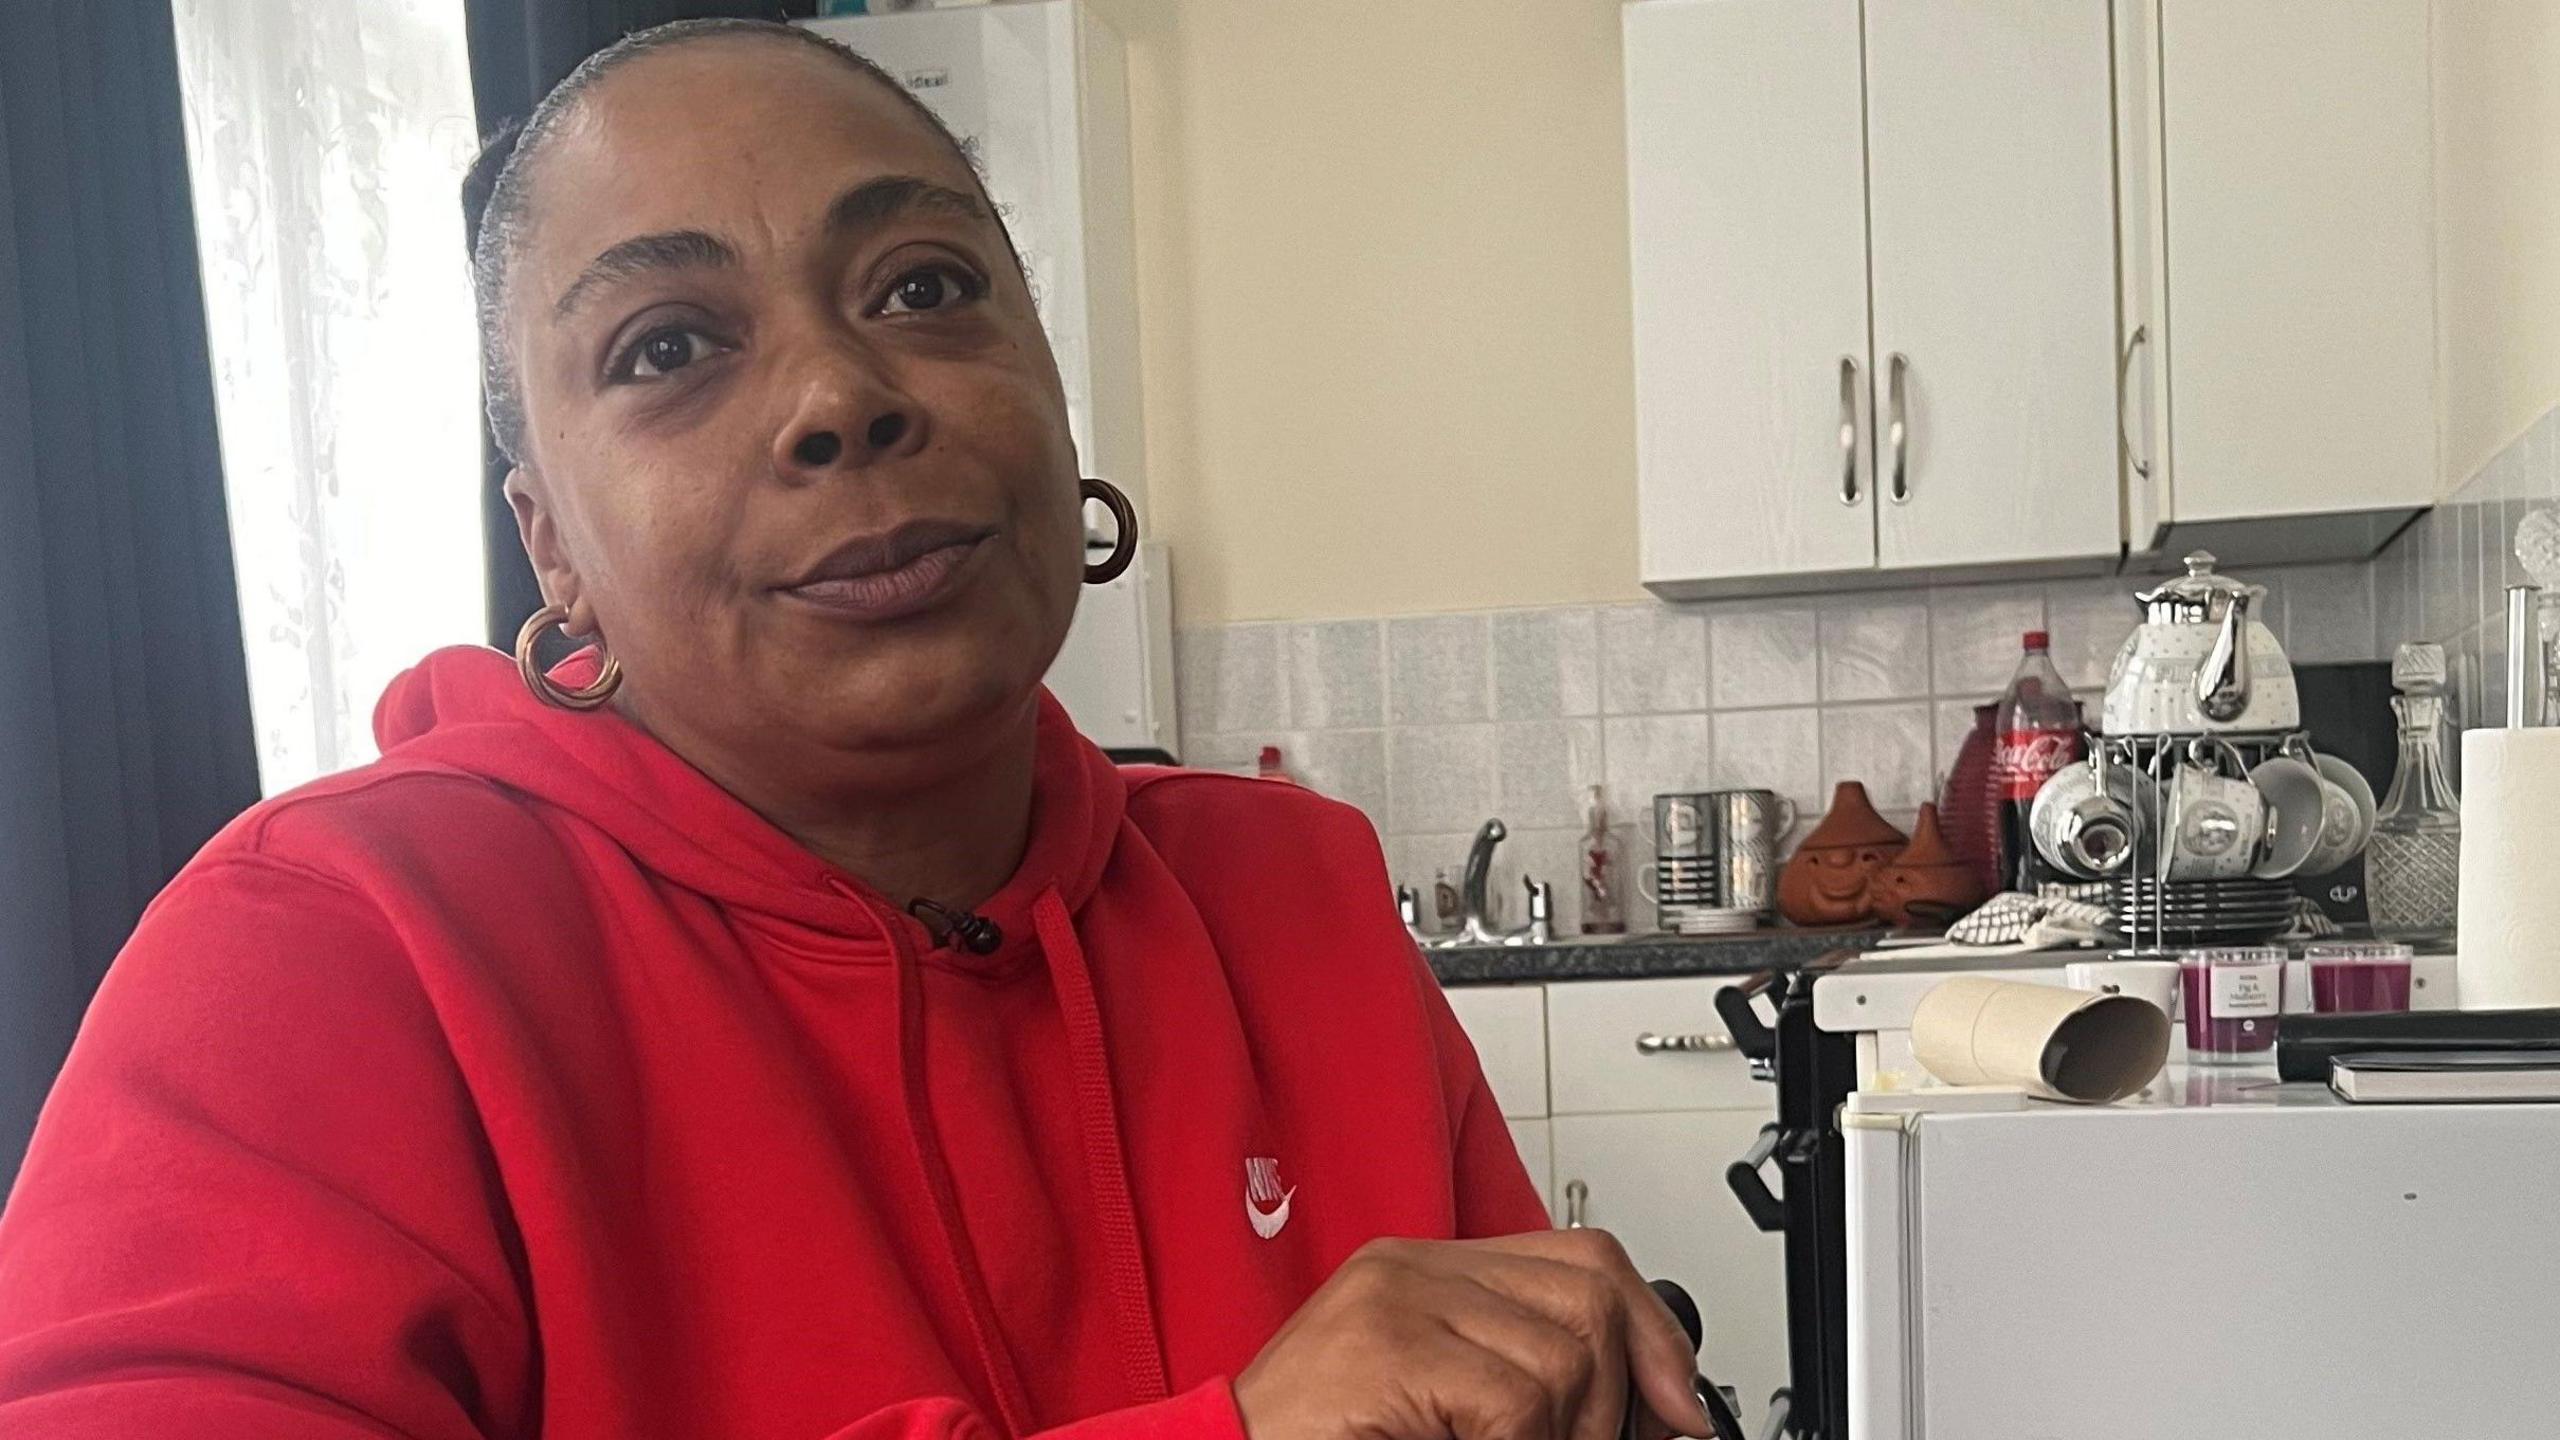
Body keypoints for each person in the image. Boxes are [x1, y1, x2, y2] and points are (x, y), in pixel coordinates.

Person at [0, 19, 1710, 1440]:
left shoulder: (1294, 895)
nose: (841, 395)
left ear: (1049, 382)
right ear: (550, 543)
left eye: (919, 287)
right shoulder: (328, 954)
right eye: (668, 344)